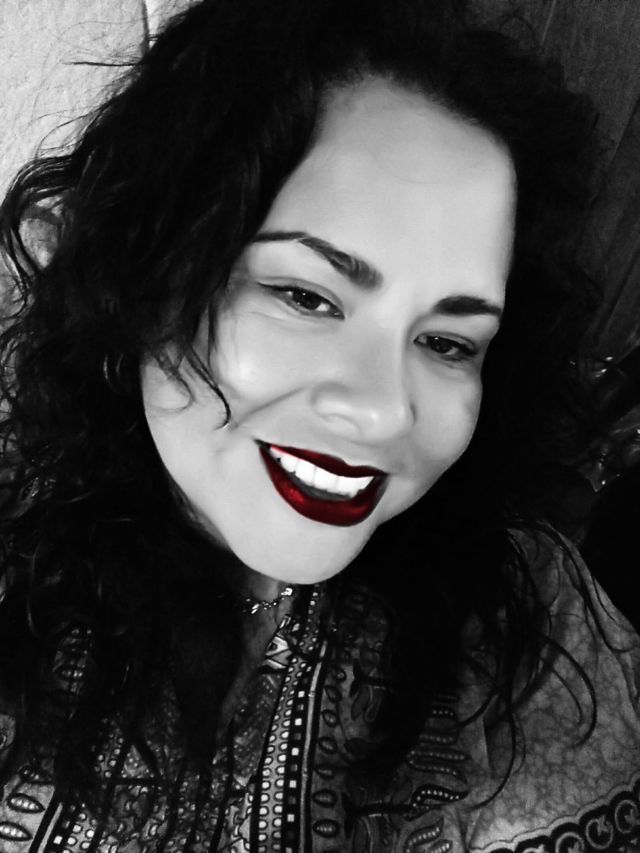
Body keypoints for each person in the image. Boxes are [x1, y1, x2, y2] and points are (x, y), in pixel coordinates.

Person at [0, 0, 638, 850]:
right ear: (149, 272)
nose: (385, 409)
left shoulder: (533, 618)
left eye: (448, 342)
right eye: (306, 296)